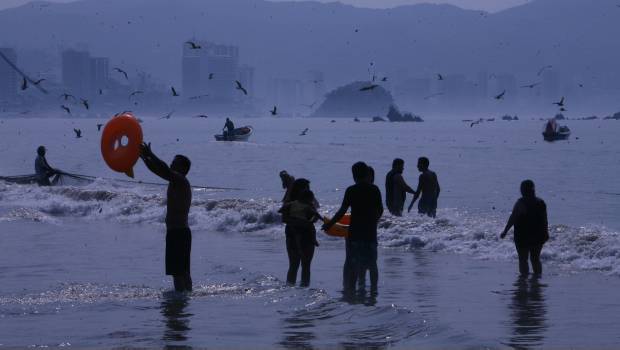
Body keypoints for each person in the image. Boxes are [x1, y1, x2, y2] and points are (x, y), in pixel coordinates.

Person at [139, 142, 193, 292]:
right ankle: (186, 299)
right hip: (179, 232)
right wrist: (143, 157)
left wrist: (150, 153)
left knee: (178, 273)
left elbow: (162, 168)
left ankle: (179, 302)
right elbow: (157, 170)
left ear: (182, 168)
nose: (171, 165)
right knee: (183, 271)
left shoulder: (180, 180)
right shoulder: (175, 181)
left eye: (174, 163)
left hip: (178, 232)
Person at [323, 162, 383, 293]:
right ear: (367, 174)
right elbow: (380, 210)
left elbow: (342, 211)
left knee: (354, 264)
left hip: (354, 233)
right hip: (370, 233)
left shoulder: (351, 190)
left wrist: (330, 223)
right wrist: (373, 222)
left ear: (354, 175)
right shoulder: (374, 189)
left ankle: (351, 292)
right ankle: (373, 292)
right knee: (372, 264)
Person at [500, 180, 549, 275]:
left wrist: (505, 231)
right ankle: (537, 280)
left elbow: (513, 218)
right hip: (538, 235)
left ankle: (524, 281)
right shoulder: (541, 202)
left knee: (523, 259)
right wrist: (546, 233)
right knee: (535, 259)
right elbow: (545, 220)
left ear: (522, 190)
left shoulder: (520, 203)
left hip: (523, 236)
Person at [279, 178, 320, 286]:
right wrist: (300, 222)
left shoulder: (309, 202)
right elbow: (284, 219)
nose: (308, 190)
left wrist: (309, 222)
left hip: (307, 234)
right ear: (298, 189)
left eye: (308, 188)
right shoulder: (290, 203)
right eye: (306, 188)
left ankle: (304, 290)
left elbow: (315, 217)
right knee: (294, 265)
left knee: (306, 266)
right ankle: (290, 289)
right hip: (293, 233)